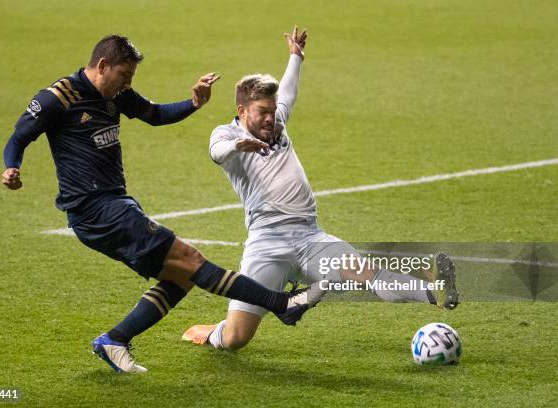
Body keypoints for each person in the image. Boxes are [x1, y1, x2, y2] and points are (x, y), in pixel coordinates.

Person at [1, 34, 324, 374]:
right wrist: (12, 167)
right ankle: (282, 303)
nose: (128, 83)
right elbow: (19, 137)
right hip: (94, 209)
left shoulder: (116, 94)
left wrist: (194, 103)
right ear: (102, 66)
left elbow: (154, 114)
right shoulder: (59, 97)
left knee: (181, 278)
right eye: (125, 75)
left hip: (116, 203)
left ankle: (114, 340)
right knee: (191, 259)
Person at [182, 26, 459, 351]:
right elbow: (216, 153)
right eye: (262, 113)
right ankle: (215, 332)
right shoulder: (226, 135)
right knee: (236, 339)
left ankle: (435, 290)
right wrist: (238, 147)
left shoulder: (278, 124)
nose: (270, 118)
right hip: (267, 245)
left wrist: (295, 57)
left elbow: (287, 93)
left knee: (369, 274)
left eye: (271, 112)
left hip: (311, 238)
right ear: (242, 112)